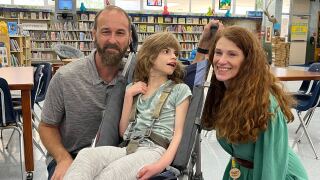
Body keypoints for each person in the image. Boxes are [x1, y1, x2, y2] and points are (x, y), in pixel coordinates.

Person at [63, 32, 192, 180]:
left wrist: (160, 165)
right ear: (150, 56)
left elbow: (178, 136)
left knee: (111, 174)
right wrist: (128, 95)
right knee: (86, 155)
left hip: (155, 151)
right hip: (129, 147)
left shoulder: (180, 90)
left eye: (176, 53)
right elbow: (124, 132)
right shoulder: (134, 89)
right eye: (166, 51)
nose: (174, 56)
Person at [201, 26, 308, 180]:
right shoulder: (224, 92)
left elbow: (271, 169)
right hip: (242, 169)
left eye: (232, 54)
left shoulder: (265, 105)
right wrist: (204, 43)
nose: (221, 60)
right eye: (218, 52)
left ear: (247, 61)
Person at [39, 5, 132, 180]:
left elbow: (183, 75)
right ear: (93, 34)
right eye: (106, 32)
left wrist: (202, 48)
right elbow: (46, 126)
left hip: (116, 160)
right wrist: (62, 158)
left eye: (120, 33)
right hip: (71, 157)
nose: (112, 39)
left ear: (130, 38)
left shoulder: (136, 75)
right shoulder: (65, 77)